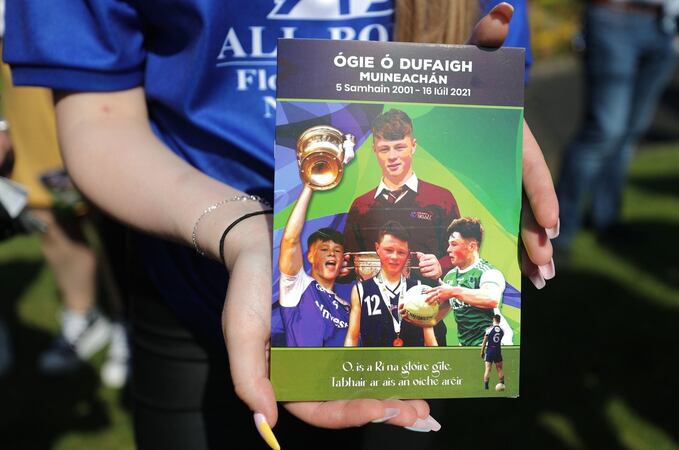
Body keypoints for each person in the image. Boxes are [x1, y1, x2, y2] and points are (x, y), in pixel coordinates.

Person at [5, 1, 558, 448]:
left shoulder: (421, 200)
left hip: (398, 357)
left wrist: (464, 103)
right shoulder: (360, 206)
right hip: (190, 284)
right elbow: (98, 120)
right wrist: (247, 234)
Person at [0, 37, 130, 387]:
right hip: (19, 52)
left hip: (84, 47)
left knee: (114, 209)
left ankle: (129, 323)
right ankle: (83, 317)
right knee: (46, 208)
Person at [554, 0, 679, 254]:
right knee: (604, 131)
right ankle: (558, 231)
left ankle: (606, 218)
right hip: (615, 14)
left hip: (663, 24)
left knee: (630, 132)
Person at [343, 107, 455, 345]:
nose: (392, 156)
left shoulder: (441, 199)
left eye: (399, 147)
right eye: (384, 149)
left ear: (413, 146)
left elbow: (462, 260)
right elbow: (351, 268)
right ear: (375, 150)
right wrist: (344, 271)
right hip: (374, 330)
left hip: (429, 325)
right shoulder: (360, 206)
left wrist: (441, 265)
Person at [345, 221, 436, 348]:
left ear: (408, 254)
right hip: (376, 366)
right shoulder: (361, 290)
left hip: (412, 365)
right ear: (377, 248)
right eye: (389, 250)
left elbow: (430, 341)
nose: (394, 257)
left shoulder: (419, 289)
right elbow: (352, 337)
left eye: (401, 252)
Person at [279, 185, 350, 347]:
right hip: (303, 370)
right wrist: (309, 187)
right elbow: (290, 239)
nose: (332, 254)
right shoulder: (298, 286)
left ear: (342, 260)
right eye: (324, 249)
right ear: (310, 255)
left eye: (337, 250)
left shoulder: (347, 307)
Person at [428, 217, 513, 347]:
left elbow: (491, 299)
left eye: (454, 244)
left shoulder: (488, 272)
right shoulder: (450, 277)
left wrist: (453, 291)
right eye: (448, 244)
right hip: (467, 346)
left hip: (495, 344)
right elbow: (436, 317)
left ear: (472, 246)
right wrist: (415, 314)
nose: (448, 250)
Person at [480, 314, 505, 390]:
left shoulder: (489, 329)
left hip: (490, 351)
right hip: (497, 351)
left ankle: (486, 386)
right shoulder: (502, 330)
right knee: (499, 369)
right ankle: (502, 384)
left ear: (493, 320)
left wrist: (482, 352)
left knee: (488, 369)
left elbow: (484, 342)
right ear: (499, 321)